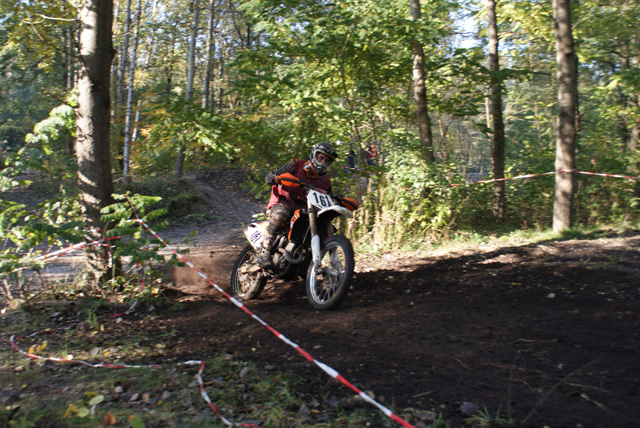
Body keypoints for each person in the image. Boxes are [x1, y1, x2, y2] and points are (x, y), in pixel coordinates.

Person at [257, 142, 338, 268]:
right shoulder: (296, 165)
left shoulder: (325, 181)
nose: (323, 162)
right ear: (314, 154)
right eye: (321, 158)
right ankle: (265, 251)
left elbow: (329, 200)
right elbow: (269, 176)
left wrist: (337, 202)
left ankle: (309, 263)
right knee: (282, 213)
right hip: (284, 203)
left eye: (327, 161)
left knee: (324, 227)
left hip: (306, 212)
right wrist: (277, 178)